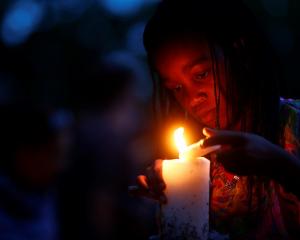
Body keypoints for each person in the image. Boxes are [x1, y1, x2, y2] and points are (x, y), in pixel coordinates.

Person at [129, 0, 300, 239]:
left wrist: (281, 166)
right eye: (177, 87)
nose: (192, 97)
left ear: (240, 51)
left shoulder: (294, 126)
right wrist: (173, 200)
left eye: (201, 74)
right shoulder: (202, 160)